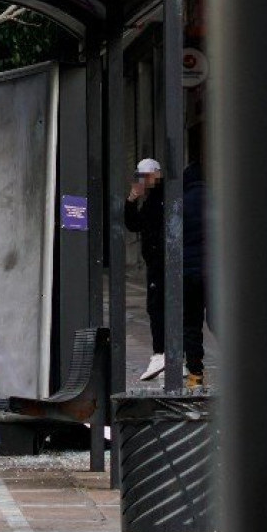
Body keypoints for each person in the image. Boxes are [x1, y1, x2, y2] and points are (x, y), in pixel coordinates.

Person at [124, 157, 166, 380]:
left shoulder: (162, 197)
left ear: (156, 175)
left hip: (161, 262)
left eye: (146, 176)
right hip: (156, 262)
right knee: (157, 306)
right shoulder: (151, 199)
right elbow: (134, 224)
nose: (143, 181)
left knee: (157, 307)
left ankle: (162, 353)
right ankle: (166, 353)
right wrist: (132, 200)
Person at [181, 162, 209, 388]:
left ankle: (195, 374)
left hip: (189, 272)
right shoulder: (218, 201)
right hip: (214, 272)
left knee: (191, 324)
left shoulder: (180, 203)